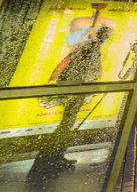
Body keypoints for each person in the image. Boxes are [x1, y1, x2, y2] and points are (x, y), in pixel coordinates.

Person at [26, 26, 112, 188]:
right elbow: (72, 62)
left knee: (67, 122)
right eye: (106, 36)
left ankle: (56, 156)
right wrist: (55, 77)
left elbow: (92, 67)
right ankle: (51, 158)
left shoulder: (92, 46)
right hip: (74, 88)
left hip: (77, 87)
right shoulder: (91, 46)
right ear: (103, 36)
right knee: (67, 123)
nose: (105, 39)